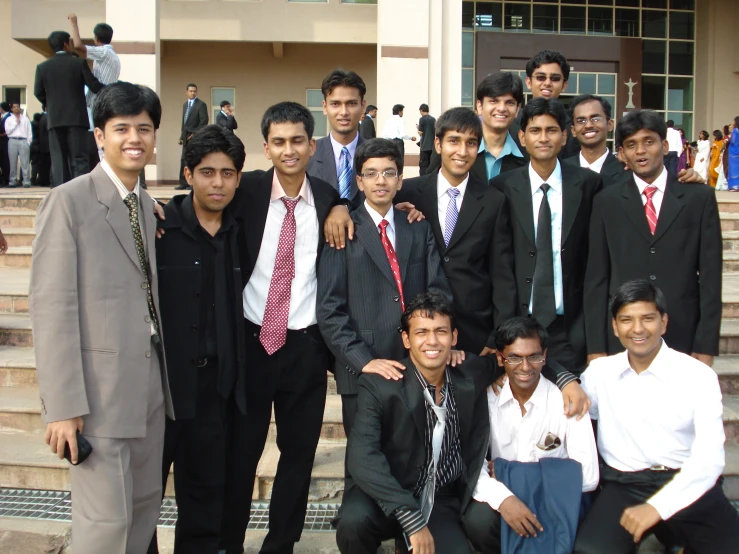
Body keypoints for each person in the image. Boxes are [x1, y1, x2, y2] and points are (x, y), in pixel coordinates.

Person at [29, 82, 174, 554]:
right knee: (104, 525)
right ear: (99, 136)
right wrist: (63, 406)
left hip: (150, 389)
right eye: (122, 129)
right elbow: (52, 308)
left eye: (145, 129)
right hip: (96, 398)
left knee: (143, 511)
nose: (135, 138)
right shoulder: (67, 202)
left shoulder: (146, 207)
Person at [335, 292, 587, 554]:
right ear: (406, 339)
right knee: (353, 523)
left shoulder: (469, 372)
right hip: (386, 495)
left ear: (454, 337)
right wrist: (411, 520)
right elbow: (362, 458)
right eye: (421, 332)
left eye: (441, 331)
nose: (432, 341)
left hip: (441, 499)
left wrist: (566, 379)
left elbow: (520, 358)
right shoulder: (379, 384)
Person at [218, 102, 340, 554]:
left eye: (298, 141)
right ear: (266, 147)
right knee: (241, 453)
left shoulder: (328, 198)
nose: (290, 151)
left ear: (312, 145)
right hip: (252, 342)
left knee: (298, 457)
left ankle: (280, 544)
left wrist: (344, 206)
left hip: (305, 347)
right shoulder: (245, 191)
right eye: (279, 142)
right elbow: (200, 198)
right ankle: (228, 542)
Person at [574, 280, 739, 554]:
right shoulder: (599, 373)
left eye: (647, 318)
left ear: (663, 322)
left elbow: (710, 460)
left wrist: (656, 508)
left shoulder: (697, 375)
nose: (637, 329)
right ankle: (667, 537)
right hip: (625, 485)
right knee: (590, 550)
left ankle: (670, 535)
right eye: (626, 320)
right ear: (615, 326)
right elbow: (569, 412)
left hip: (687, 481)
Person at [147, 125, 246, 554]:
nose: (218, 182)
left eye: (227, 173)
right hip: (160, 388)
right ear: (188, 174)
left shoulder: (241, 232)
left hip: (213, 389)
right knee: (142, 496)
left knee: (205, 498)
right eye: (207, 172)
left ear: (239, 178)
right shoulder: (159, 227)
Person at [317, 138, 452, 437]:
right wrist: (364, 361)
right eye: (371, 173)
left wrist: (430, 342)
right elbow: (329, 310)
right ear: (359, 181)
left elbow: (438, 291)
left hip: (417, 363)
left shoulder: (417, 225)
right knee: (364, 460)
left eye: (389, 173)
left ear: (400, 179)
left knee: (414, 454)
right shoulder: (343, 230)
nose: (381, 180)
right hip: (363, 368)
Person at [584, 109, 722, 367]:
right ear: (622, 153)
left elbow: (711, 278)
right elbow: (596, 279)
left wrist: (706, 345)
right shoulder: (606, 201)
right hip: (622, 336)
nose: (641, 151)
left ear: (665, 145)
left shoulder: (698, 198)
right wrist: (596, 347)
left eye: (649, 141)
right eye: (631, 145)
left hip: (682, 332)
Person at [462, 316, 599, 554]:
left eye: (534, 357)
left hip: (557, 500)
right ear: (500, 358)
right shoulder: (486, 399)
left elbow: (588, 476)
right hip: (506, 492)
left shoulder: (568, 400)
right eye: (514, 358)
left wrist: (513, 473)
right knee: (478, 521)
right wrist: (505, 499)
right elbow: (474, 467)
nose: (525, 367)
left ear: (545, 356)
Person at [491, 98, 603, 374]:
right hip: (518, 325)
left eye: (551, 130)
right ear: (522, 137)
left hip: (571, 327)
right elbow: (499, 262)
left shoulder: (589, 185)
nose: (543, 138)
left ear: (564, 137)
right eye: (535, 130)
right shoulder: (502, 187)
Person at [394, 107, 517, 356]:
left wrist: (496, 339)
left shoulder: (493, 201)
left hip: (475, 334)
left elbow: (502, 274)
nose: (462, 152)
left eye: (471, 143)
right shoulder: (407, 193)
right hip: (418, 332)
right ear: (438, 144)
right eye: (454, 141)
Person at [427, 72, 527, 182]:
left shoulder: (526, 154)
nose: (502, 108)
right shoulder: (452, 146)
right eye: (494, 101)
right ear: (479, 106)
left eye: (510, 103)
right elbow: (430, 185)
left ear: (517, 109)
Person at [34, 31, 104, 186]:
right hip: (76, 118)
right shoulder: (78, 63)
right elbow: (94, 85)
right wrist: (112, 87)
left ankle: (61, 192)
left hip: (55, 119)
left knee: (59, 158)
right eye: (70, 42)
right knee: (79, 157)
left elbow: (37, 92)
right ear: (66, 44)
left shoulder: (42, 67)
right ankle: (81, 191)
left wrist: (50, 102)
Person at [68, 14, 121, 171]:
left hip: (99, 101)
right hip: (106, 99)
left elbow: (78, 45)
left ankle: (106, 172)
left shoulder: (103, 52)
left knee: (100, 142)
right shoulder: (114, 56)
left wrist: (74, 23)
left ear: (96, 38)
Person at [307, 68, 367, 203]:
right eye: (335, 104)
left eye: (351, 103)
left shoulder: (378, 155)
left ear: (363, 106)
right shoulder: (308, 155)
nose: (344, 112)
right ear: (324, 107)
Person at [521, 50, 579, 159]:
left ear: (564, 85)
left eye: (555, 78)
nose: (547, 83)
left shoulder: (574, 126)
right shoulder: (512, 124)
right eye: (541, 77)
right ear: (528, 82)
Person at [565, 94, 626, 188]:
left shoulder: (626, 170)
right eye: (581, 120)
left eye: (596, 119)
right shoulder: (561, 170)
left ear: (610, 124)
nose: (588, 125)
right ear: (573, 130)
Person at [177, 84, 209, 190]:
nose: (192, 93)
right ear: (186, 92)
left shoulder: (201, 105)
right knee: (184, 158)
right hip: (186, 135)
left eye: (194, 91)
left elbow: (204, 121)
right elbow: (184, 123)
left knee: (194, 158)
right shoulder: (185, 105)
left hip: (195, 136)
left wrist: (195, 134)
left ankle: (192, 183)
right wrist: (182, 136)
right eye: (190, 91)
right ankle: (183, 182)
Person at [4, 103, 33, 188]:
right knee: (12, 162)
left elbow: (29, 131)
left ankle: (26, 181)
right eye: (14, 107)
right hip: (12, 140)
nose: (16, 108)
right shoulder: (9, 119)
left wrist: (28, 142)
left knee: (25, 162)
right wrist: (16, 123)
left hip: (23, 140)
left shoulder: (25, 119)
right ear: (11, 109)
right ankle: (12, 181)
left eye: (18, 107)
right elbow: (8, 131)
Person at [417, 104, 436, 176]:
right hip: (432, 145)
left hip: (424, 146)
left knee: (423, 165)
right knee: (431, 164)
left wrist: (418, 128)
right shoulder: (433, 119)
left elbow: (421, 133)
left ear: (421, 110)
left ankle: (423, 179)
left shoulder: (422, 119)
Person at [37, 108, 51, 187]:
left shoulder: (43, 117)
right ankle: (45, 181)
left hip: (44, 145)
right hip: (46, 146)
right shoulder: (46, 118)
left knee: (44, 164)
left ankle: (44, 181)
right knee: (46, 165)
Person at [0, 103, 10, 186]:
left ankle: (6, 179)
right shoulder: (2, 116)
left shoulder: (8, 117)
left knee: (5, 161)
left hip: (5, 142)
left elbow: (5, 130)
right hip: (2, 142)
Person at [728, 117, 739, 191]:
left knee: (733, 169)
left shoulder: (735, 130)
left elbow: (733, 141)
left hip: (733, 152)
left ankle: (735, 185)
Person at [31, 113, 41, 186]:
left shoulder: (31, 124)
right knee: (36, 163)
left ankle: (23, 178)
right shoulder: (38, 125)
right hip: (36, 147)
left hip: (31, 145)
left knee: (25, 163)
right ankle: (34, 179)